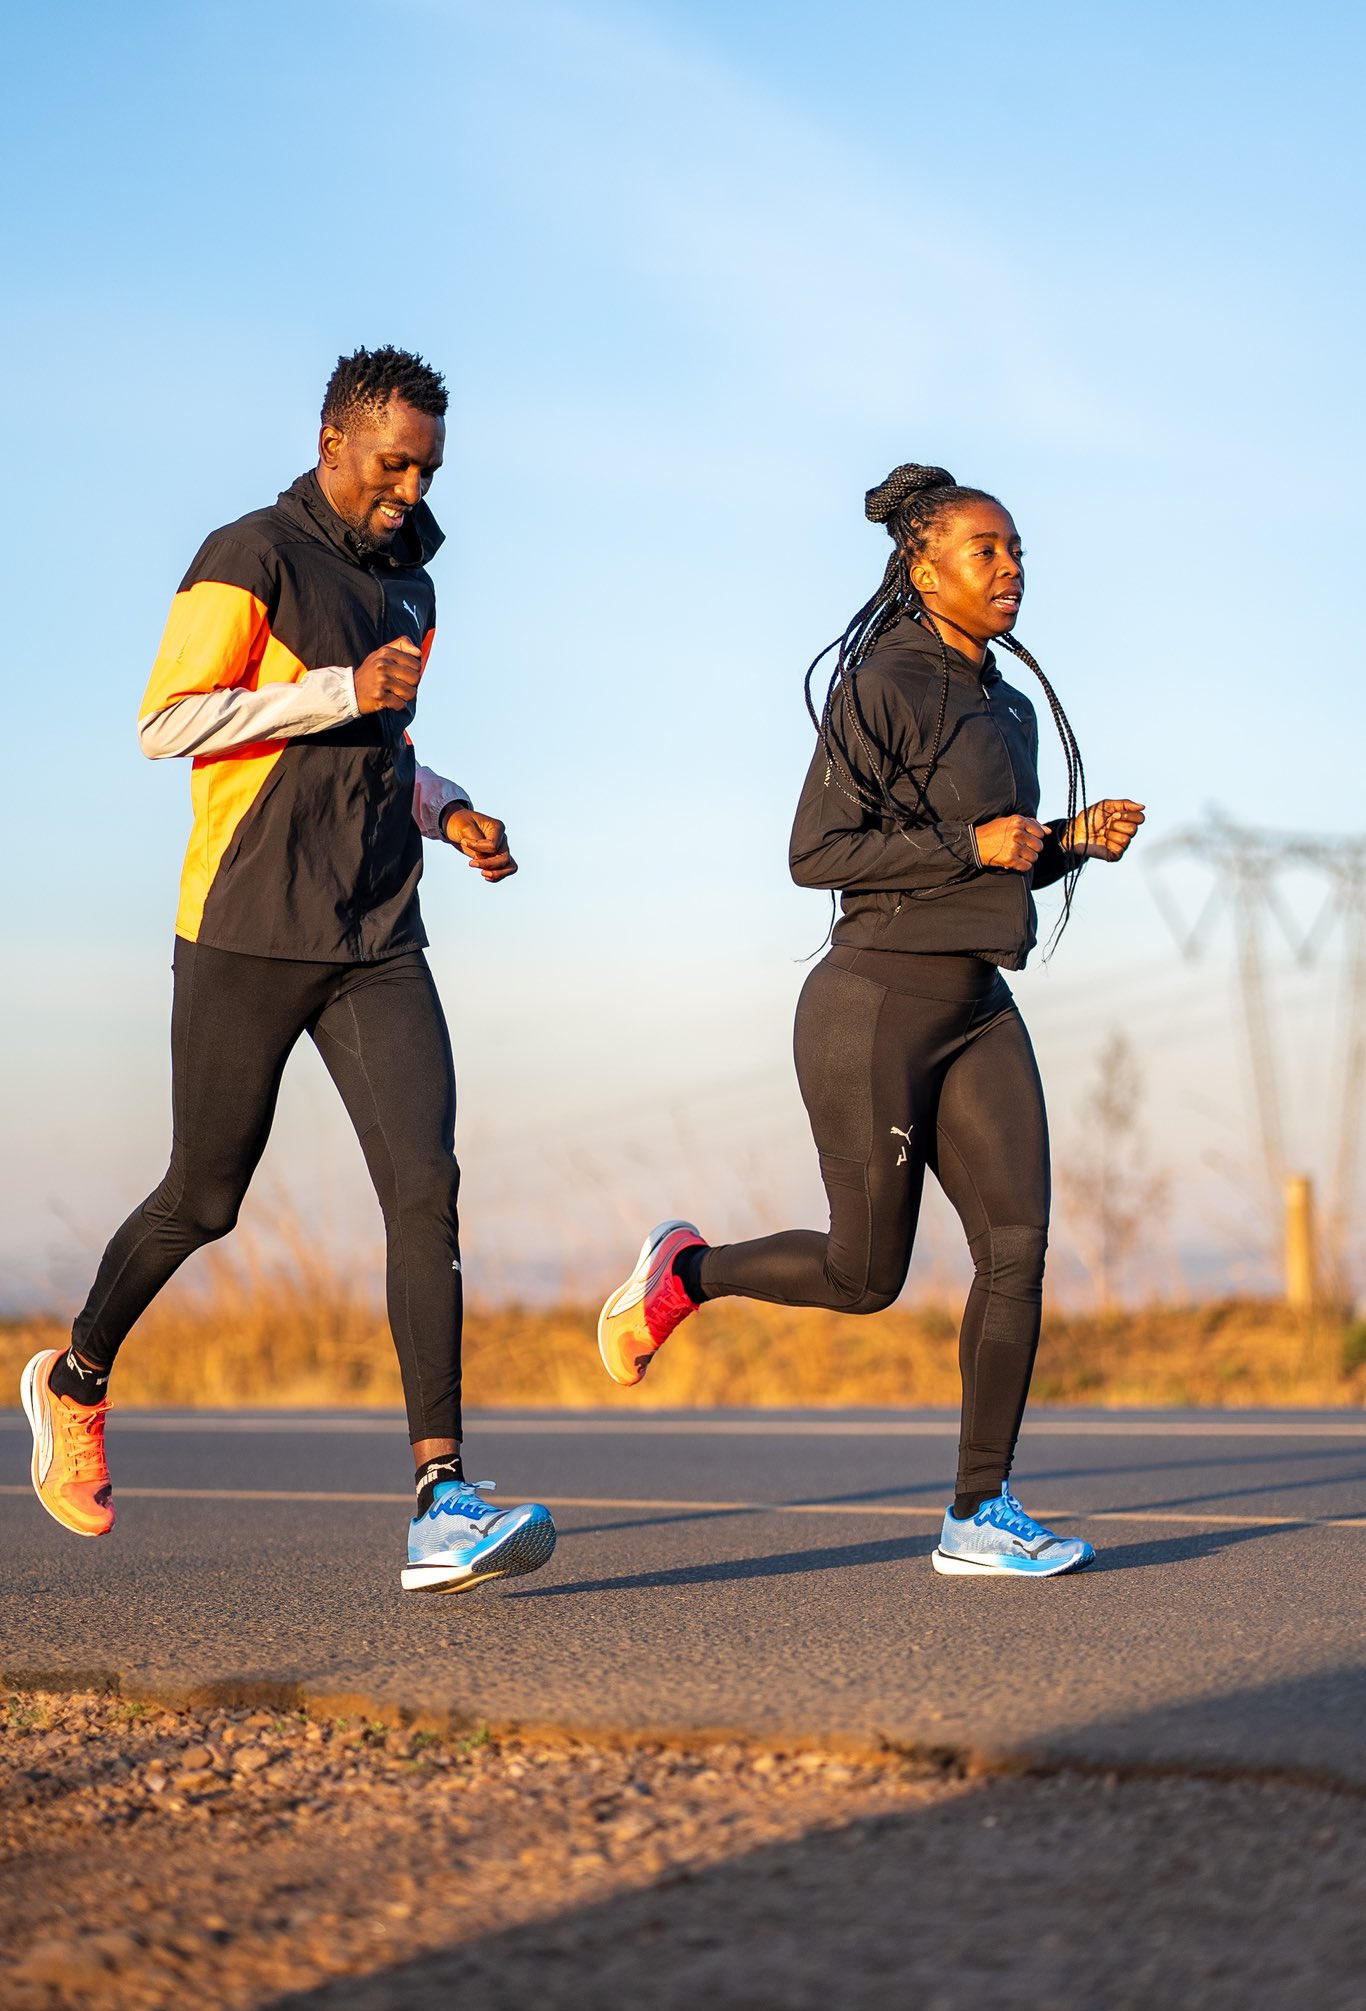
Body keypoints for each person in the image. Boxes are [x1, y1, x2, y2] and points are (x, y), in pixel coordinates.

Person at [21, 345, 555, 1596]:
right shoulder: (247, 552)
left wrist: (449, 807)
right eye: (392, 464)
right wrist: (331, 689)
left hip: (377, 930)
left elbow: (378, 744)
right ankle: (77, 1374)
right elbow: (166, 720)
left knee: (424, 1187)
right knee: (205, 1197)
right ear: (332, 444)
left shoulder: (417, 580)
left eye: (426, 469)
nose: (410, 491)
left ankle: (441, 1495)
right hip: (248, 927)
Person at [598, 462, 1145, 1577]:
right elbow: (817, 854)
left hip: (977, 1004)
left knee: (1016, 1248)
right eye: (985, 550)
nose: (1011, 569)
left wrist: (1061, 840)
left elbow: (995, 869)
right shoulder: (882, 684)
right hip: (874, 1002)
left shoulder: (1010, 704)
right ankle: (685, 1273)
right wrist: (973, 843)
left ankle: (976, 1512)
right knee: (864, 1274)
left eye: (1017, 550)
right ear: (921, 563)